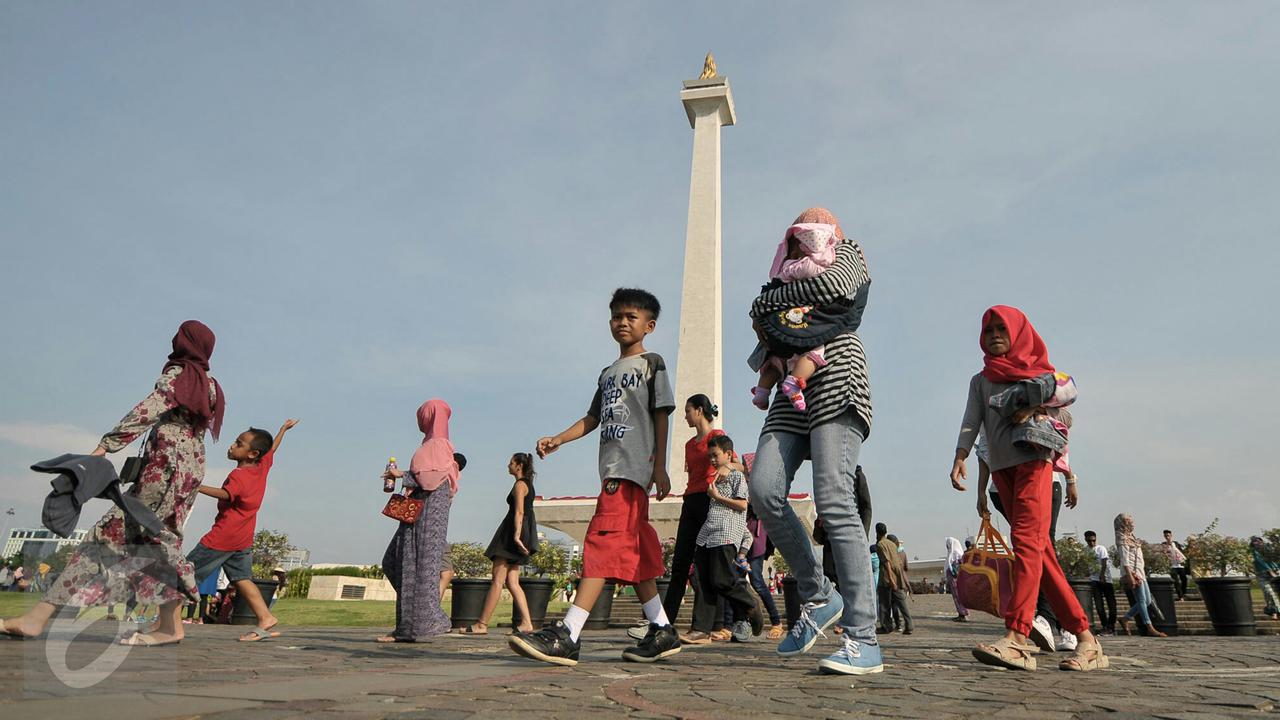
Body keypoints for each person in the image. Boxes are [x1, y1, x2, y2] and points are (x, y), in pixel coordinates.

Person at [2, 321, 225, 643]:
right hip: (189, 469)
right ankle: (170, 626)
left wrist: (106, 446)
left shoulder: (179, 376)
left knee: (109, 537)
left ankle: (36, 620)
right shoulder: (211, 385)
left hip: (164, 468)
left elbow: (146, 411)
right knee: (159, 540)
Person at [510, 288, 679, 666]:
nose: (622, 322)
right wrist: (560, 439)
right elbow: (592, 417)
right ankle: (662, 628)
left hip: (631, 470)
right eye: (617, 316)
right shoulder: (607, 373)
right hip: (612, 469)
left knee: (601, 543)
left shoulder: (653, 363)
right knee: (635, 553)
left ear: (649, 326)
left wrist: (660, 466)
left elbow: (662, 414)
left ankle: (569, 632)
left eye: (631, 316)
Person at [747, 208, 882, 677]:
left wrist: (773, 303)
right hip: (789, 383)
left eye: (817, 225)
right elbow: (758, 322)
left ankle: (864, 638)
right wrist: (770, 308)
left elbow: (834, 289)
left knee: (834, 500)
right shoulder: (783, 271)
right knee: (763, 489)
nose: (808, 231)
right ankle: (820, 594)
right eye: (800, 227)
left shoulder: (849, 254)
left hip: (838, 375)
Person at [950, 305, 1106, 671]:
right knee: (1042, 554)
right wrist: (959, 456)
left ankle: (1018, 638)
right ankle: (1087, 640)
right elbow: (971, 421)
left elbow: (1066, 407)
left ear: (1019, 333)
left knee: (1026, 543)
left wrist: (1034, 404)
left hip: (1034, 463)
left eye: (1001, 330)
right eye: (988, 331)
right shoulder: (980, 380)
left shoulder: (1039, 375)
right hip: (1002, 471)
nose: (994, 336)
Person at [184, 418, 297, 643]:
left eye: (239, 443)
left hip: (223, 536)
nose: (232, 445)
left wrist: (194, 486)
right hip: (243, 537)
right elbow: (272, 448)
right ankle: (265, 617)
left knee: (184, 574)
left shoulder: (239, 475)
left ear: (252, 454)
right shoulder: (261, 467)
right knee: (242, 579)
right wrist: (282, 429)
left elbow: (227, 494)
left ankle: (165, 624)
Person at [976, 431, 1081, 652]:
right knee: (1033, 548)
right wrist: (981, 491)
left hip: (1043, 480)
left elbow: (1055, 433)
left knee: (1041, 546)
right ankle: (1067, 626)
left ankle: (1051, 621)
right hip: (1002, 486)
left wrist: (1070, 477)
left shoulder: (1029, 399)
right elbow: (984, 449)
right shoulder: (991, 405)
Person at [639, 394, 724, 645]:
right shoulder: (689, 444)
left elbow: (730, 465)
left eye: (687, 411)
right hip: (691, 501)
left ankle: (702, 628)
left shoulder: (716, 437)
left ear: (699, 411)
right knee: (680, 565)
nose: (685, 416)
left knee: (704, 566)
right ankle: (663, 623)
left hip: (710, 501)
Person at [378, 399, 460, 642]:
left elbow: (430, 479)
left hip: (426, 516)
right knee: (397, 563)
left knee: (417, 567)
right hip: (420, 513)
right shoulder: (433, 444)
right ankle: (416, 622)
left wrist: (401, 474)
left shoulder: (438, 444)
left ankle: (419, 624)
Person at [750, 222, 842, 411]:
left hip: (780, 325)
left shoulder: (784, 271)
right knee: (815, 351)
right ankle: (794, 382)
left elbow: (766, 295)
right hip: (802, 324)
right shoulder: (810, 266)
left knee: (776, 360)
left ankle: (762, 390)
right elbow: (827, 285)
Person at [685, 434, 763, 643]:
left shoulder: (736, 477)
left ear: (728, 454)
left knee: (722, 579)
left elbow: (742, 505)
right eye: (709, 456)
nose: (711, 460)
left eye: (715, 455)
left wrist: (717, 497)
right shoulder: (716, 478)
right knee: (701, 580)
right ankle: (700, 629)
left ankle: (749, 603)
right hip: (708, 534)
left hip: (726, 533)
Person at [459, 453, 541, 635]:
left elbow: (519, 512)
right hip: (519, 532)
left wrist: (516, 536)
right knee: (512, 581)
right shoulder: (529, 485)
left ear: (519, 465)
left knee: (497, 579)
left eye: (511, 463)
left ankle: (482, 624)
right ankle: (527, 623)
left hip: (511, 533)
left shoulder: (520, 485)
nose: (508, 465)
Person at [1114, 513, 1166, 637]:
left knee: (1147, 600)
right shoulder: (1121, 538)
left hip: (1140, 571)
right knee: (1142, 600)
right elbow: (1124, 559)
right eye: (1128, 521)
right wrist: (1130, 575)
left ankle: (1125, 618)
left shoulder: (1131, 537)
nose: (1131, 523)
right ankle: (1149, 626)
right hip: (1132, 572)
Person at [875, 524, 911, 634]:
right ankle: (909, 624)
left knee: (884, 603)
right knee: (901, 602)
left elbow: (886, 562)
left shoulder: (880, 544)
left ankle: (886, 626)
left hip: (887, 577)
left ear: (877, 532)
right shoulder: (892, 544)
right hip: (898, 574)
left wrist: (890, 579)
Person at [1084, 531, 1117, 635]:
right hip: (1093, 580)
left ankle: (1111, 626)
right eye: (1089, 540)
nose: (1092, 542)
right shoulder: (1085, 551)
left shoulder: (1101, 548)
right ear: (1086, 540)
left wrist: (1102, 575)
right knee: (1099, 606)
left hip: (1106, 579)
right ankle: (1105, 626)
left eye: (1093, 540)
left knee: (1111, 604)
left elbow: (1104, 563)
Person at [1249, 536, 1280, 620]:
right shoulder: (1254, 552)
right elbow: (1259, 561)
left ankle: (1276, 611)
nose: (1257, 543)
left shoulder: (1270, 550)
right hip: (1263, 575)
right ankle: (1274, 612)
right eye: (1255, 542)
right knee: (1269, 593)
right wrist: (1270, 571)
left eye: (1259, 541)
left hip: (1276, 573)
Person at [944, 537, 969, 622]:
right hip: (957, 580)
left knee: (958, 596)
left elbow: (954, 568)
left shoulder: (955, 554)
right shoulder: (957, 553)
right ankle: (961, 613)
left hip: (956, 580)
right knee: (958, 596)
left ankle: (962, 614)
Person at [1161, 530, 1189, 601]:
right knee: (1176, 581)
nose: (1167, 537)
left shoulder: (1176, 544)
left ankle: (1183, 593)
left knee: (1184, 579)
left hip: (1180, 565)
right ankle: (1180, 597)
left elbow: (1181, 552)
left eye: (1168, 535)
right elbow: (1163, 553)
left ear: (1171, 536)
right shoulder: (1164, 545)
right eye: (1166, 536)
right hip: (1172, 566)